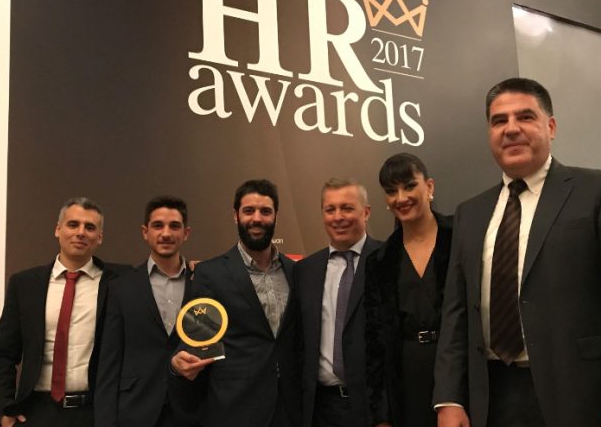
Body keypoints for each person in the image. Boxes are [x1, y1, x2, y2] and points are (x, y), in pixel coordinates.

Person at [433, 77, 601, 427]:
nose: (511, 129)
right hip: (491, 401)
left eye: (525, 117)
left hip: (582, 399)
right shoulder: (470, 213)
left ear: (550, 127)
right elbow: (456, 313)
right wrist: (449, 398)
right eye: (499, 121)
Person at [171, 179, 301, 427]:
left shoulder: (296, 271)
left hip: (291, 409)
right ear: (236, 215)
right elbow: (195, 338)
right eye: (248, 210)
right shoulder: (210, 273)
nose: (257, 218)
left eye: (265, 211)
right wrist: (179, 362)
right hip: (236, 408)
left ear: (276, 216)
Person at [0, 197, 129, 427]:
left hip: (95, 413)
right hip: (36, 413)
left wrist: (191, 269)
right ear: (58, 230)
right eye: (73, 224)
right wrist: (4, 410)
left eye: (90, 227)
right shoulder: (24, 284)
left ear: (100, 237)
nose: (81, 232)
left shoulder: (121, 281)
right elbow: (3, 354)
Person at [95, 195, 202, 427]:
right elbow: (109, 362)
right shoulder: (121, 287)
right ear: (145, 232)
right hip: (136, 410)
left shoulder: (203, 282)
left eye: (174, 226)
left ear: (186, 233)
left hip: (192, 410)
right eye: (158, 226)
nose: (166, 233)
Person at [365, 153, 453, 427]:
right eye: (391, 191)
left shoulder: (460, 237)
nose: (401, 198)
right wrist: (382, 417)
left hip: (458, 369)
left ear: (429, 186)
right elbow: (376, 344)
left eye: (409, 186)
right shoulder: (380, 260)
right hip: (406, 378)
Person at [295, 178, 382, 427]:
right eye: (330, 209)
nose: (338, 217)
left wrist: (385, 414)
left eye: (347, 208)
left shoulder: (388, 259)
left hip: (373, 408)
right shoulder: (305, 270)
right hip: (321, 410)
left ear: (366, 212)